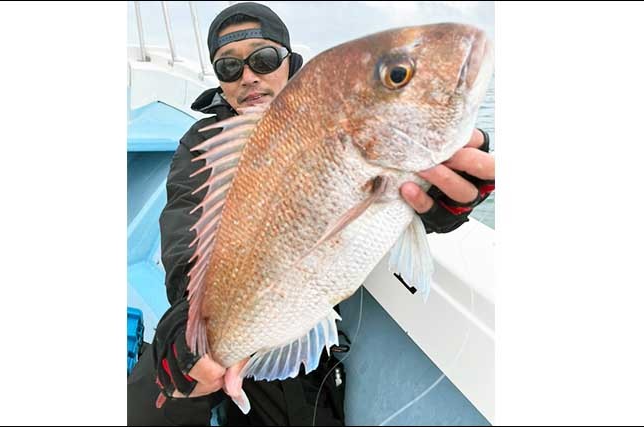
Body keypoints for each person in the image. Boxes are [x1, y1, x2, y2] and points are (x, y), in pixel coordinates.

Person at [127, 2, 495, 426]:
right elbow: (184, 238)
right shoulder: (203, 147)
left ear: (287, 60)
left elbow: (390, 207)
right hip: (230, 312)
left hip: (302, 321)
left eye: (263, 59)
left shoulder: (333, 119)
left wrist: (448, 203)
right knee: (154, 396)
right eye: (229, 67)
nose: (248, 75)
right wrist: (187, 333)